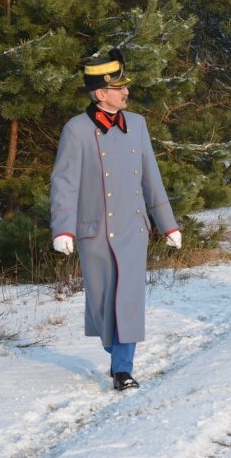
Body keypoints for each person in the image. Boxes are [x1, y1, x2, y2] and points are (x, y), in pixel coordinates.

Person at [50, 48, 182, 390]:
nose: (126, 92)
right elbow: (64, 182)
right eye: (119, 87)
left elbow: (151, 177)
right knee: (102, 301)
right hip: (94, 231)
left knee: (129, 299)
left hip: (133, 228)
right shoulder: (76, 130)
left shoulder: (137, 124)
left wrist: (168, 223)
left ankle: (123, 368)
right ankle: (114, 351)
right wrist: (62, 227)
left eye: (126, 86)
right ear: (100, 93)